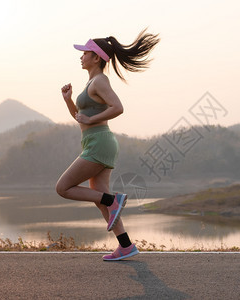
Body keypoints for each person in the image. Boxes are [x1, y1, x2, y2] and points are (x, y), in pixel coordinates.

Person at [56, 30, 160, 261]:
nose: (81, 56)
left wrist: (91, 120)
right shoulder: (92, 82)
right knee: (100, 199)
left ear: (96, 58)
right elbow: (80, 117)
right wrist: (69, 101)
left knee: (63, 188)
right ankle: (125, 246)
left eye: (85, 53)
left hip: (99, 143)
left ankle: (112, 200)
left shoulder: (100, 80)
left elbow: (118, 107)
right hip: (96, 142)